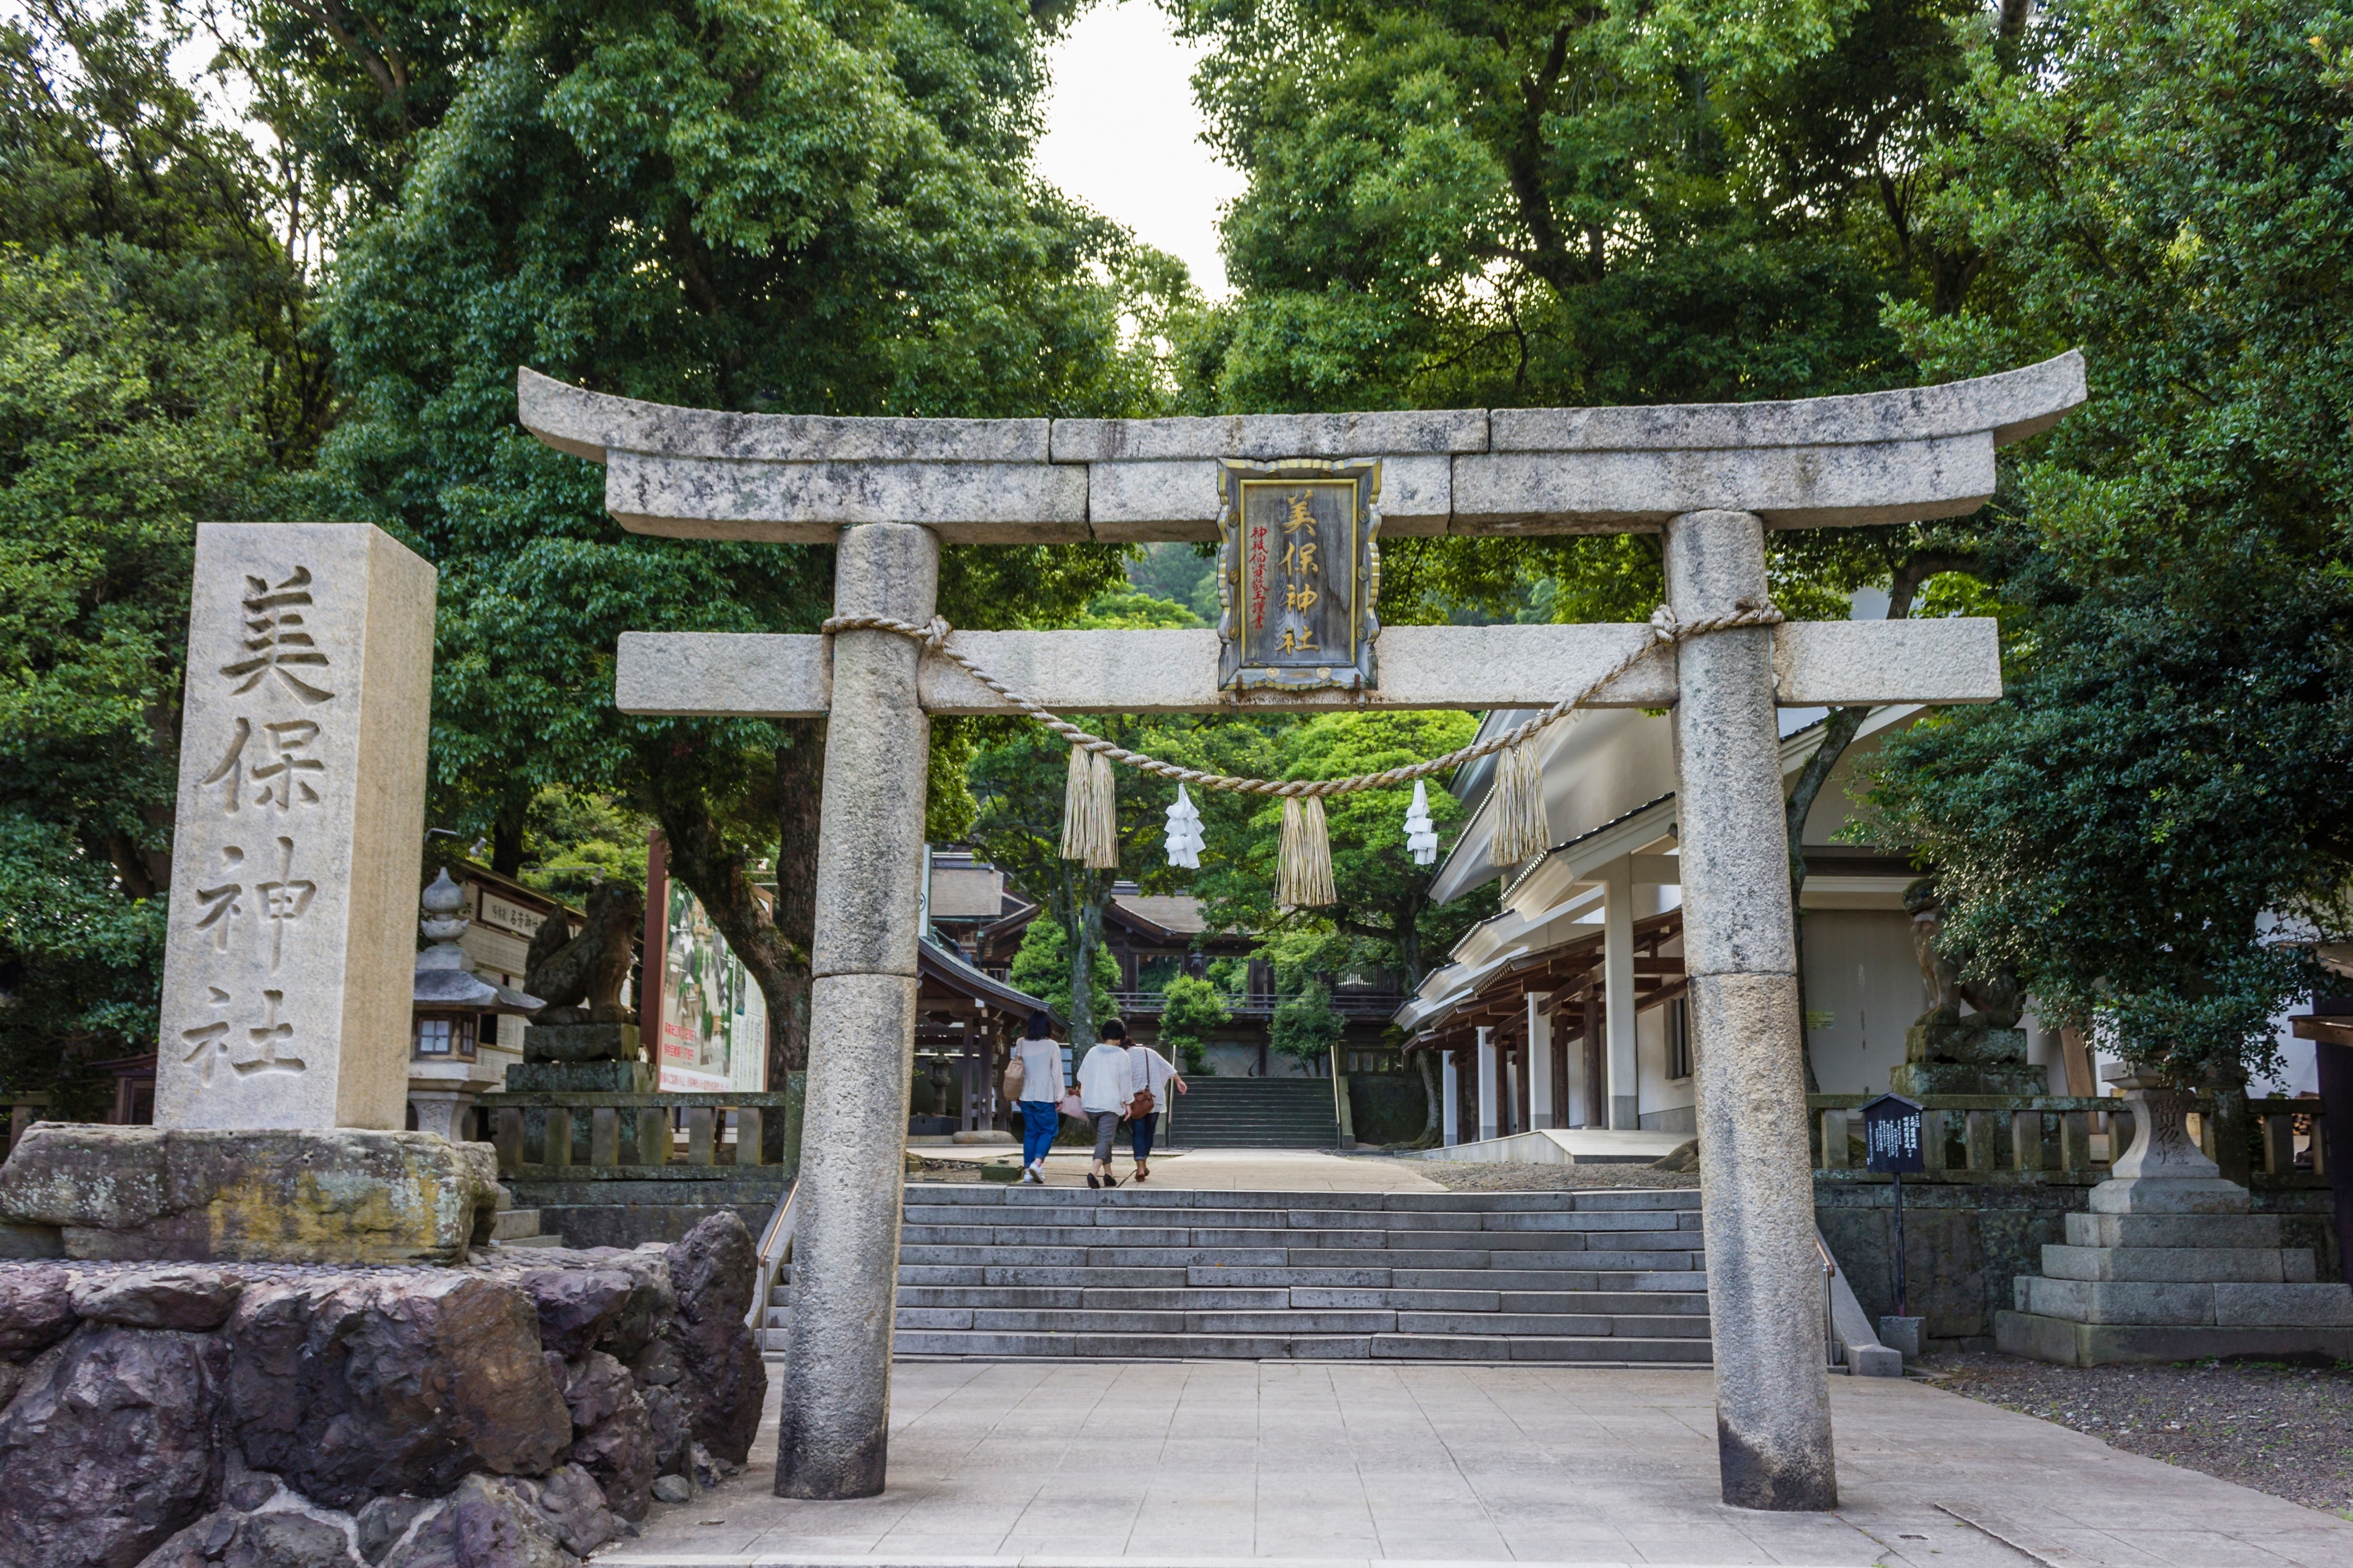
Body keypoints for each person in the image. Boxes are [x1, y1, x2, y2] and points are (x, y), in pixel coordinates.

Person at [1119, 1026, 1186, 1183]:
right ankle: (1144, 1165)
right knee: (1149, 1133)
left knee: (1138, 1132)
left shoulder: (1124, 1056)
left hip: (1136, 1100)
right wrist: (1179, 1081)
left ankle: (1140, 1167)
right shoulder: (1151, 1053)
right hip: (1154, 1100)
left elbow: (1121, 1078)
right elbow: (1168, 1068)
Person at [1076, 1023, 1136, 1189]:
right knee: (1105, 1140)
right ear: (1121, 1036)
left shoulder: (1092, 1052)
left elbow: (1081, 1075)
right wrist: (1128, 1103)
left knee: (1104, 1139)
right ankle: (1093, 1173)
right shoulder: (1122, 1055)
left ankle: (1109, 1175)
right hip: (1109, 1105)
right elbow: (1125, 1083)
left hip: (1090, 1104)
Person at [1008, 1010, 1065, 1184]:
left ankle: (1028, 1170)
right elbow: (1057, 1074)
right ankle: (1037, 1163)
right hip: (1045, 1095)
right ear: (1047, 1027)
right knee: (1049, 1131)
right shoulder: (1052, 1046)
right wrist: (1060, 1097)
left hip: (1026, 1095)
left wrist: (1017, 1093)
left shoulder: (1020, 1044)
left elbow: (1018, 1072)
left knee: (1031, 1132)